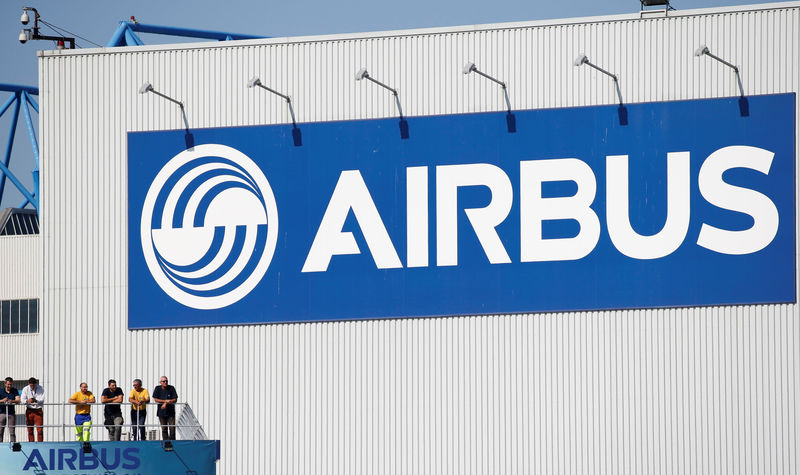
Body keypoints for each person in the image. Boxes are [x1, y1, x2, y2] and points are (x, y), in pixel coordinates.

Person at [152, 376, 178, 440]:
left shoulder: (171, 388)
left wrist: (166, 403)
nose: (165, 382)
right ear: (160, 382)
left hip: (171, 412)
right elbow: (156, 399)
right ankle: (166, 442)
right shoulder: (157, 388)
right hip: (161, 412)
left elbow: (175, 399)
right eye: (164, 381)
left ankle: (173, 442)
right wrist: (165, 401)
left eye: (166, 381)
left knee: (172, 428)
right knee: (164, 428)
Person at [20, 377, 45, 442]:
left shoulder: (40, 388)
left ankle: (40, 444)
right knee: (30, 430)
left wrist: (35, 400)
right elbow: (22, 400)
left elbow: (42, 399)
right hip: (29, 410)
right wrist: (28, 401)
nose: (32, 387)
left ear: (35, 384)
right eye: (31, 385)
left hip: (38, 410)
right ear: (29, 384)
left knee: (40, 430)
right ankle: (31, 443)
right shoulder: (25, 389)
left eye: (33, 385)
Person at [0, 377, 20, 442]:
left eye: (11, 384)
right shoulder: (0, 390)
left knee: (12, 432)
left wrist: (12, 401)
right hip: (2, 413)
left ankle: (13, 445)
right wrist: (2, 400)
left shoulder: (15, 390)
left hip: (11, 413)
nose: (9, 386)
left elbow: (18, 400)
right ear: (5, 384)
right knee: (0, 431)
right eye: (8, 384)